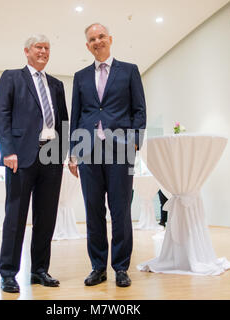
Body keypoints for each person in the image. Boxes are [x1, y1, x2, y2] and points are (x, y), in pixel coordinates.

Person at [68, 23, 146, 287]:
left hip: (120, 150)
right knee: (93, 211)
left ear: (110, 39)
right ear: (87, 45)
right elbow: (76, 115)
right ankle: (98, 267)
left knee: (120, 209)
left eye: (101, 36)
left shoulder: (130, 71)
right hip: (89, 151)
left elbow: (139, 110)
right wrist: (73, 153)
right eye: (92, 39)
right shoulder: (80, 76)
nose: (97, 41)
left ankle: (121, 267)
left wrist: (135, 143)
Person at [0, 34, 69, 293]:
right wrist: (8, 150)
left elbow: (63, 122)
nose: (43, 51)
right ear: (26, 51)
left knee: (46, 217)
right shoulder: (12, 77)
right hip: (21, 157)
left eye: (47, 48)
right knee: (15, 216)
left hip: (51, 157)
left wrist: (63, 154)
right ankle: (8, 273)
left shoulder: (57, 84)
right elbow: (2, 114)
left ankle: (39, 270)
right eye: (39, 47)